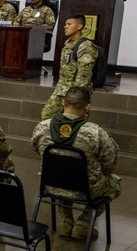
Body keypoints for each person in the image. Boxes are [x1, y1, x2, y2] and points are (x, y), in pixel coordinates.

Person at [31, 86, 121, 240]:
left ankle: (66, 221)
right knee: (114, 184)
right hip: (84, 189)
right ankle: (84, 223)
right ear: (87, 107)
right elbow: (110, 164)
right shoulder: (96, 132)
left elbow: (37, 149)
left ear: (63, 102)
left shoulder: (42, 127)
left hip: (50, 185)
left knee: (60, 172)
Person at [41, 15, 98, 119]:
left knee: (73, 124)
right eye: (65, 24)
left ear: (79, 26)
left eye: (69, 24)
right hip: (61, 91)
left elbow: (84, 77)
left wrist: (75, 99)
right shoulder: (68, 44)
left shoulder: (85, 47)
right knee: (47, 116)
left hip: (75, 95)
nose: (65, 27)